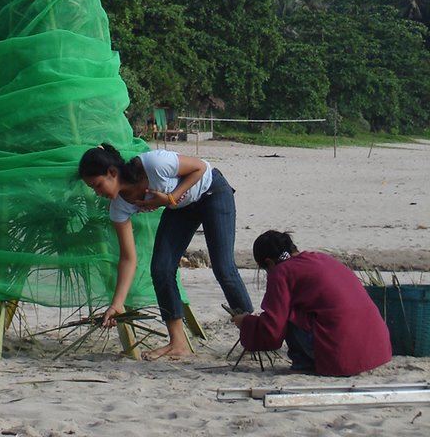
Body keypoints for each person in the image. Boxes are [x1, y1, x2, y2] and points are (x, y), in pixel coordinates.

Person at [79, 142, 253, 359]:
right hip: (181, 208)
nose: (97, 193)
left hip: (211, 191)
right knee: (161, 269)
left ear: (112, 172)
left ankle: (255, 333)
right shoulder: (118, 207)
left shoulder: (154, 163)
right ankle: (178, 343)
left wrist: (170, 197)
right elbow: (127, 258)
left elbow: (200, 168)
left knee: (223, 267)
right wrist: (117, 303)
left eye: (97, 185)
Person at [233, 229, 392, 376]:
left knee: (288, 313)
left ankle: (303, 363)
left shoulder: (282, 271)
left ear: (269, 262)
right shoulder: (321, 258)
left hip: (343, 353)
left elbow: (272, 328)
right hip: (377, 349)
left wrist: (245, 322)